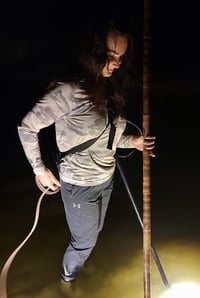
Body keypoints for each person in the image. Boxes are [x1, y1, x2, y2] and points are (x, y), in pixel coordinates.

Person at [17, 23, 155, 284]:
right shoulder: (69, 92)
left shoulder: (110, 88)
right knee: (84, 242)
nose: (116, 63)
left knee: (94, 231)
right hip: (79, 183)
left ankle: (74, 265)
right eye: (111, 56)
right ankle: (67, 281)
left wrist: (133, 141)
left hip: (105, 178)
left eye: (121, 58)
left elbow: (106, 139)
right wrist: (40, 169)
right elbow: (27, 127)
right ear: (93, 52)